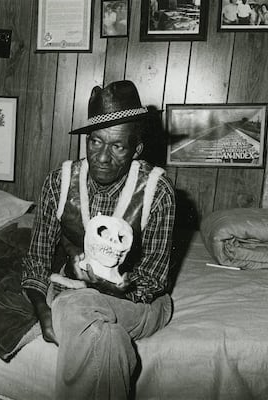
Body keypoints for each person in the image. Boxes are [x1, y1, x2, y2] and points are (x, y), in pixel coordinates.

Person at [21, 80, 176, 399]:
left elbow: (153, 283)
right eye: (95, 142)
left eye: (117, 146)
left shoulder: (157, 192)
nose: (102, 157)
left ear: (136, 149)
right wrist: (43, 311)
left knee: (80, 307)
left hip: (140, 303)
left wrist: (106, 286)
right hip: (73, 292)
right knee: (105, 338)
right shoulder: (59, 182)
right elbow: (36, 260)